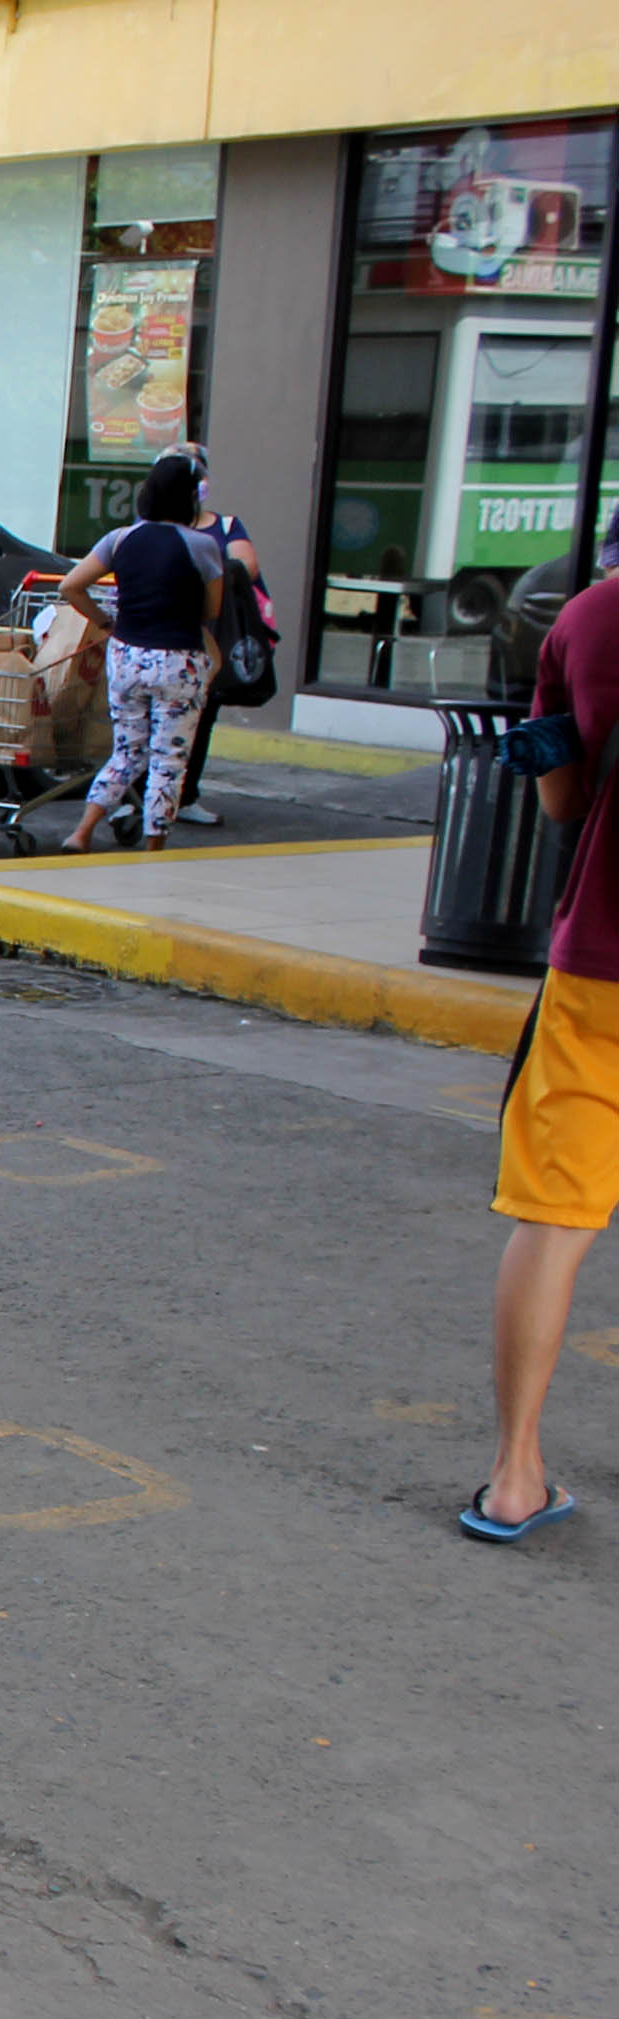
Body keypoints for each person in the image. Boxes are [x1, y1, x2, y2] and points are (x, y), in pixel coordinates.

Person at [466, 553, 619, 1545]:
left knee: (554, 1218)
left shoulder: (585, 619)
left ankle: (515, 1476)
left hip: (601, 960)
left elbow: (559, 802)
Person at [55, 453, 225, 857]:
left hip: (127, 656)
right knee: (168, 758)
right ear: (189, 499)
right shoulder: (203, 545)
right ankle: (155, 844)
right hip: (178, 661)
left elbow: (70, 586)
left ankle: (81, 832)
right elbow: (213, 610)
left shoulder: (120, 539)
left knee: (127, 750)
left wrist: (106, 621)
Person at [164, 442, 268, 828]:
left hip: (211, 638)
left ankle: (185, 795)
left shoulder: (225, 527)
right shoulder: (150, 529)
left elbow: (247, 567)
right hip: (164, 636)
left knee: (200, 718)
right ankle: (141, 798)